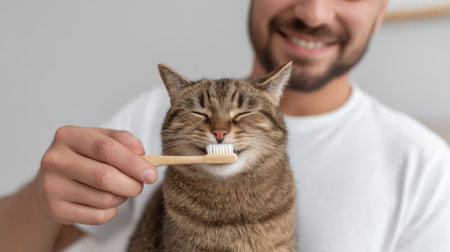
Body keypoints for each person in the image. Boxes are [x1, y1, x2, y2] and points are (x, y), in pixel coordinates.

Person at [1, 0, 450, 251]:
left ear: (381, 10)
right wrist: (41, 200)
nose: (313, 12)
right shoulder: (156, 122)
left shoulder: (427, 167)